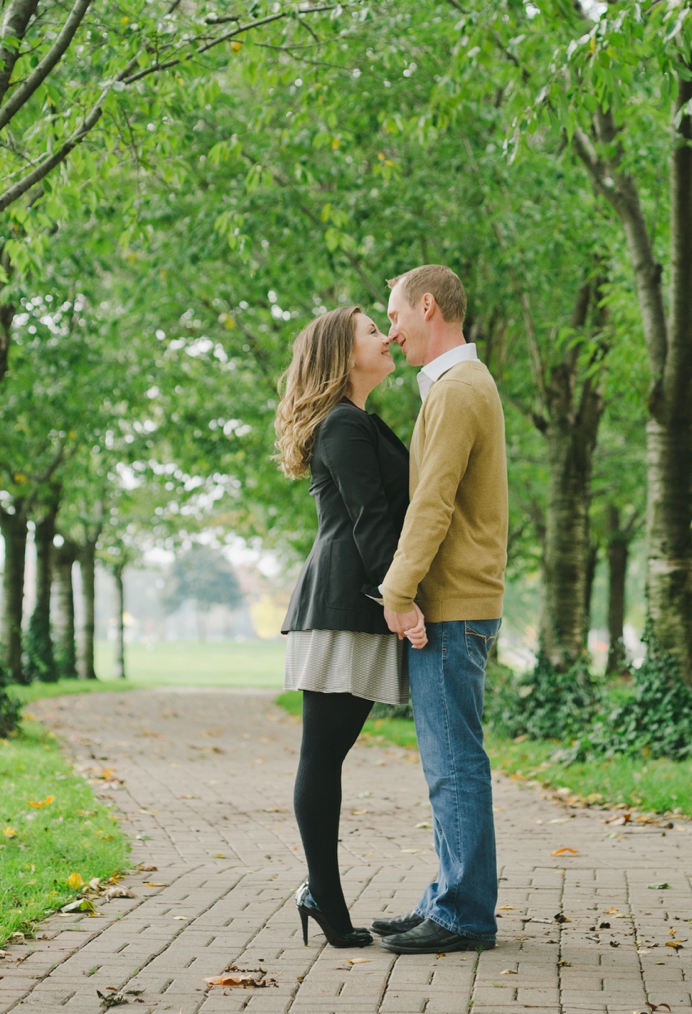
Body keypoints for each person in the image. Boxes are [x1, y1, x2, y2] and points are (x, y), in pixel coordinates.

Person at [368, 264, 507, 955]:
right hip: (459, 602)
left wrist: (396, 591)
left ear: (428, 307)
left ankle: (462, 913)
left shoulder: (456, 390)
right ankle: (450, 894)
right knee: (450, 761)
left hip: (452, 605)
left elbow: (433, 503)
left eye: (394, 316)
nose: (391, 331)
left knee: (454, 763)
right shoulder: (459, 386)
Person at [274, 304, 413, 948]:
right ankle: (323, 896)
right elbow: (370, 519)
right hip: (343, 605)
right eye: (370, 331)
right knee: (323, 756)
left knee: (329, 756)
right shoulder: (343, 426)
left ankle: (319, 893)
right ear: (341, 353)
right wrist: (399, 595)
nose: (385, 337)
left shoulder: (356, 421)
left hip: (355, 603)